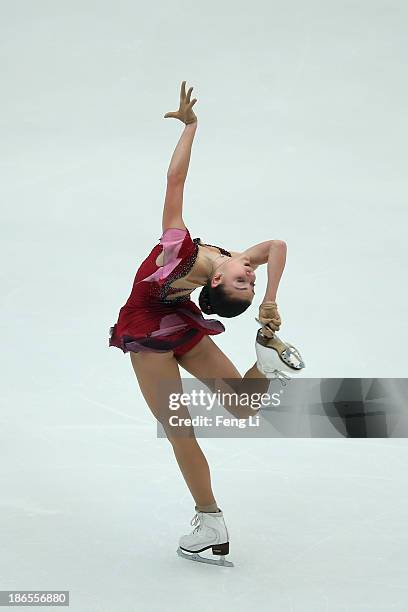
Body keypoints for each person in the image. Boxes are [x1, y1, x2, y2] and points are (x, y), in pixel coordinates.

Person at [109, 81, 304, 565]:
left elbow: (178, 184)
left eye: (247, 282)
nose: (251, 273)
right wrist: (191, 127)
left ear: (216, 280)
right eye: (249, 281)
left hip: (161, 322)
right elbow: (272, 243)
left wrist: (270, 301)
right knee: (218, 414)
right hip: (164, 320)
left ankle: (209, 522)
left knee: (189, 425)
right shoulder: (206, 254)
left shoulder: (195, 253)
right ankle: (268, 364)